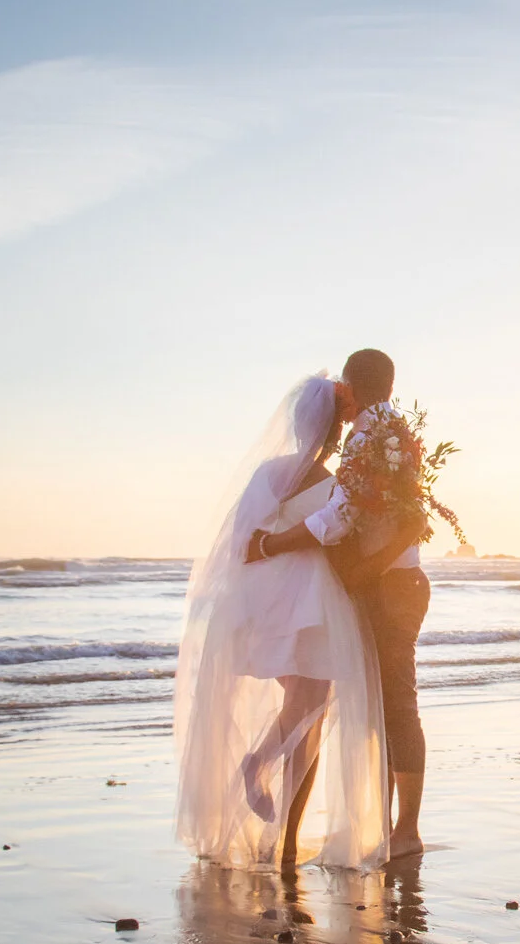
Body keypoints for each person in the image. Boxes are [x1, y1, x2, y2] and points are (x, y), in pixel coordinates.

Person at [174, 375, 391, 869]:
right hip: (308, 601)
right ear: (336, 428)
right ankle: (262, 775)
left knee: (307, 706)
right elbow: (333, 534)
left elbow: (239, 542)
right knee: (310, 704)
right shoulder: (335, 483)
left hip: (270, 601)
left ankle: (286, 835)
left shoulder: (269, 473)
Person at [250, 349, 432, 860]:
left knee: (395, 705)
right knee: (386, 706)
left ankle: (406, 832)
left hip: (391, 584)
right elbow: (402, 513)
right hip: (392, 582)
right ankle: (395, 829)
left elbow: (339, 517)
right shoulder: (394, 429)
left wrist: (271, 545)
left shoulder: (370, 436)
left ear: (351, 388)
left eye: (344, 394)